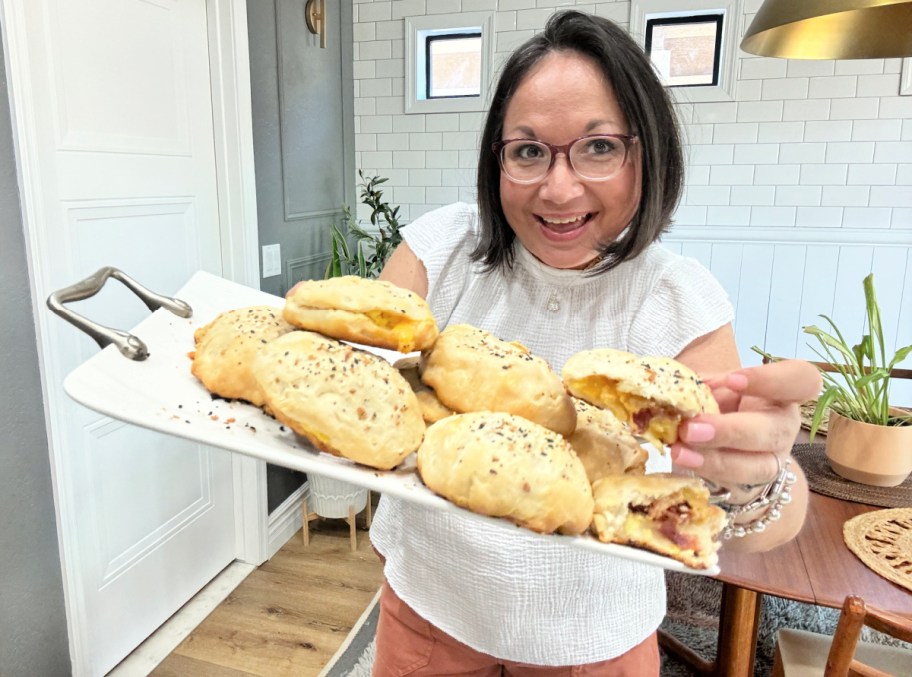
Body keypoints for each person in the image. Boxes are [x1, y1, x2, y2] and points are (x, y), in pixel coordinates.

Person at [369, 10, 820, 676]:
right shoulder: (442, 253)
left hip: (590, 641)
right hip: (431, 607)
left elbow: (755, 524)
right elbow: (368, 391)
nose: (558, 187)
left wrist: (756, 476)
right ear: (497, 159)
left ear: (648, 153)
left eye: (599, 146)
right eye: (527, 151)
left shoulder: (677, 301)